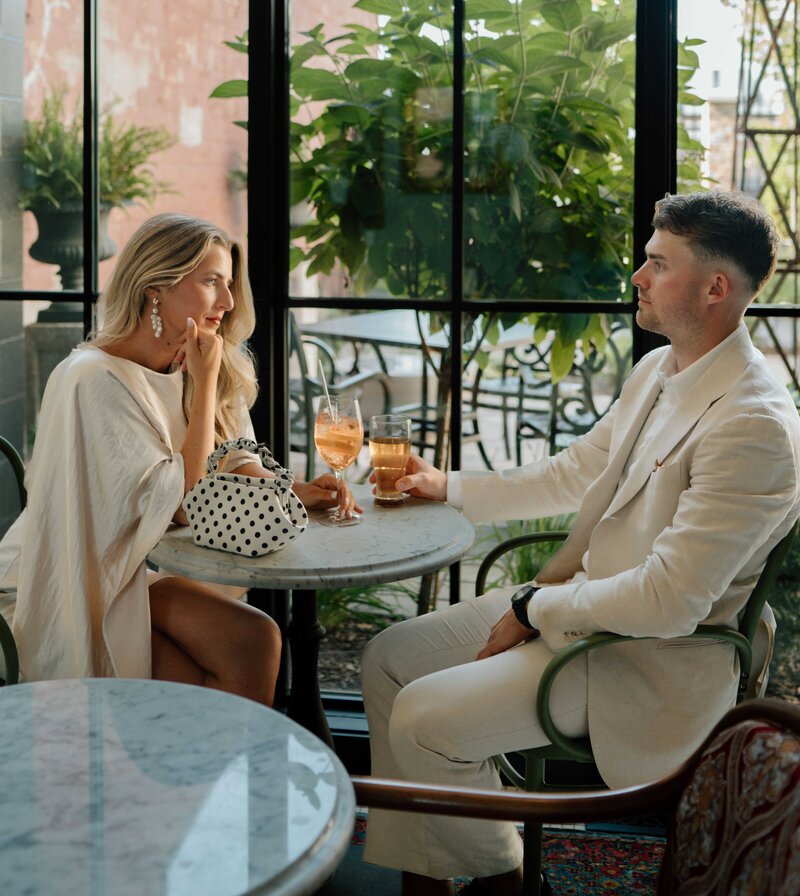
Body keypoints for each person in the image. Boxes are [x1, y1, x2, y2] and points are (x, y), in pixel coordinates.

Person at [361, 190, 800, 896]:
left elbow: (669, 603)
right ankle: (442, 879)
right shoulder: (658, 371)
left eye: (659, 263)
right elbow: (577, 471)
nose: (638, 276)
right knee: (387, 660)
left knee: (422, 717)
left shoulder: (754, 426)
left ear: (716, 288)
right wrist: (449, 486)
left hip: (642, 659)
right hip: (577, 609)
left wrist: (534, 608)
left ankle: (502, 883)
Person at [0, 212, 357, 699]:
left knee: (255, 639)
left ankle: (225, 752)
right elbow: (186, 502)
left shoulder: (201, 356)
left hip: (147, 569)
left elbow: (232, 458)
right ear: (156, 287)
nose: (228, 302)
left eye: (229, 284)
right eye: (212, 282)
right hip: (84, 580)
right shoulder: (91, 378)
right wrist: (204, 382)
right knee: (247, 647)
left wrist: (292, 491)